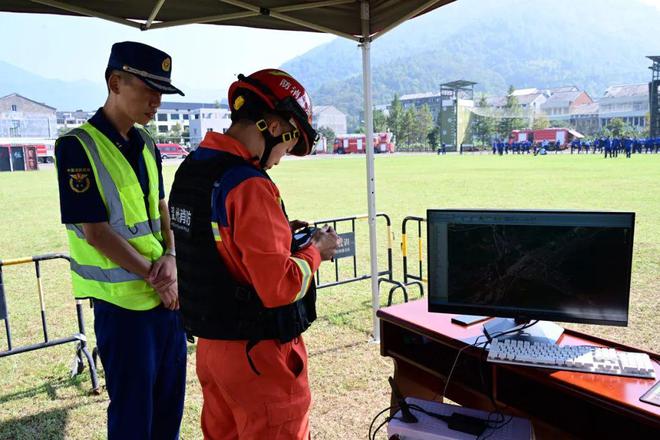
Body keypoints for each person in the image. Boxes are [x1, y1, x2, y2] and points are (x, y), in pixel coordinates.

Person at [168, 69, 341, 439]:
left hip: (214, 350)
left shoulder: (192, 169)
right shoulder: (249, 184)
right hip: (259, 357)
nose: (280, 159)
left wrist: (278, 230)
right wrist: (315, 251)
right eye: (287, 146)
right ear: (276, 127)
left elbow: (216, 241)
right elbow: (278, 286)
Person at [54, 41, 187, 439]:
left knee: (169, 408)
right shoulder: (77, 147)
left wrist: (173, 256)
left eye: (161, 92)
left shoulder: (147, 143)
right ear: (115, 82)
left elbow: (159, 206)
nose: (157, 101)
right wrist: (157, 275)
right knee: (133, 414)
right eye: (148, 90)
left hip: (167, 301)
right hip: (123, 308)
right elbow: (95, 231)